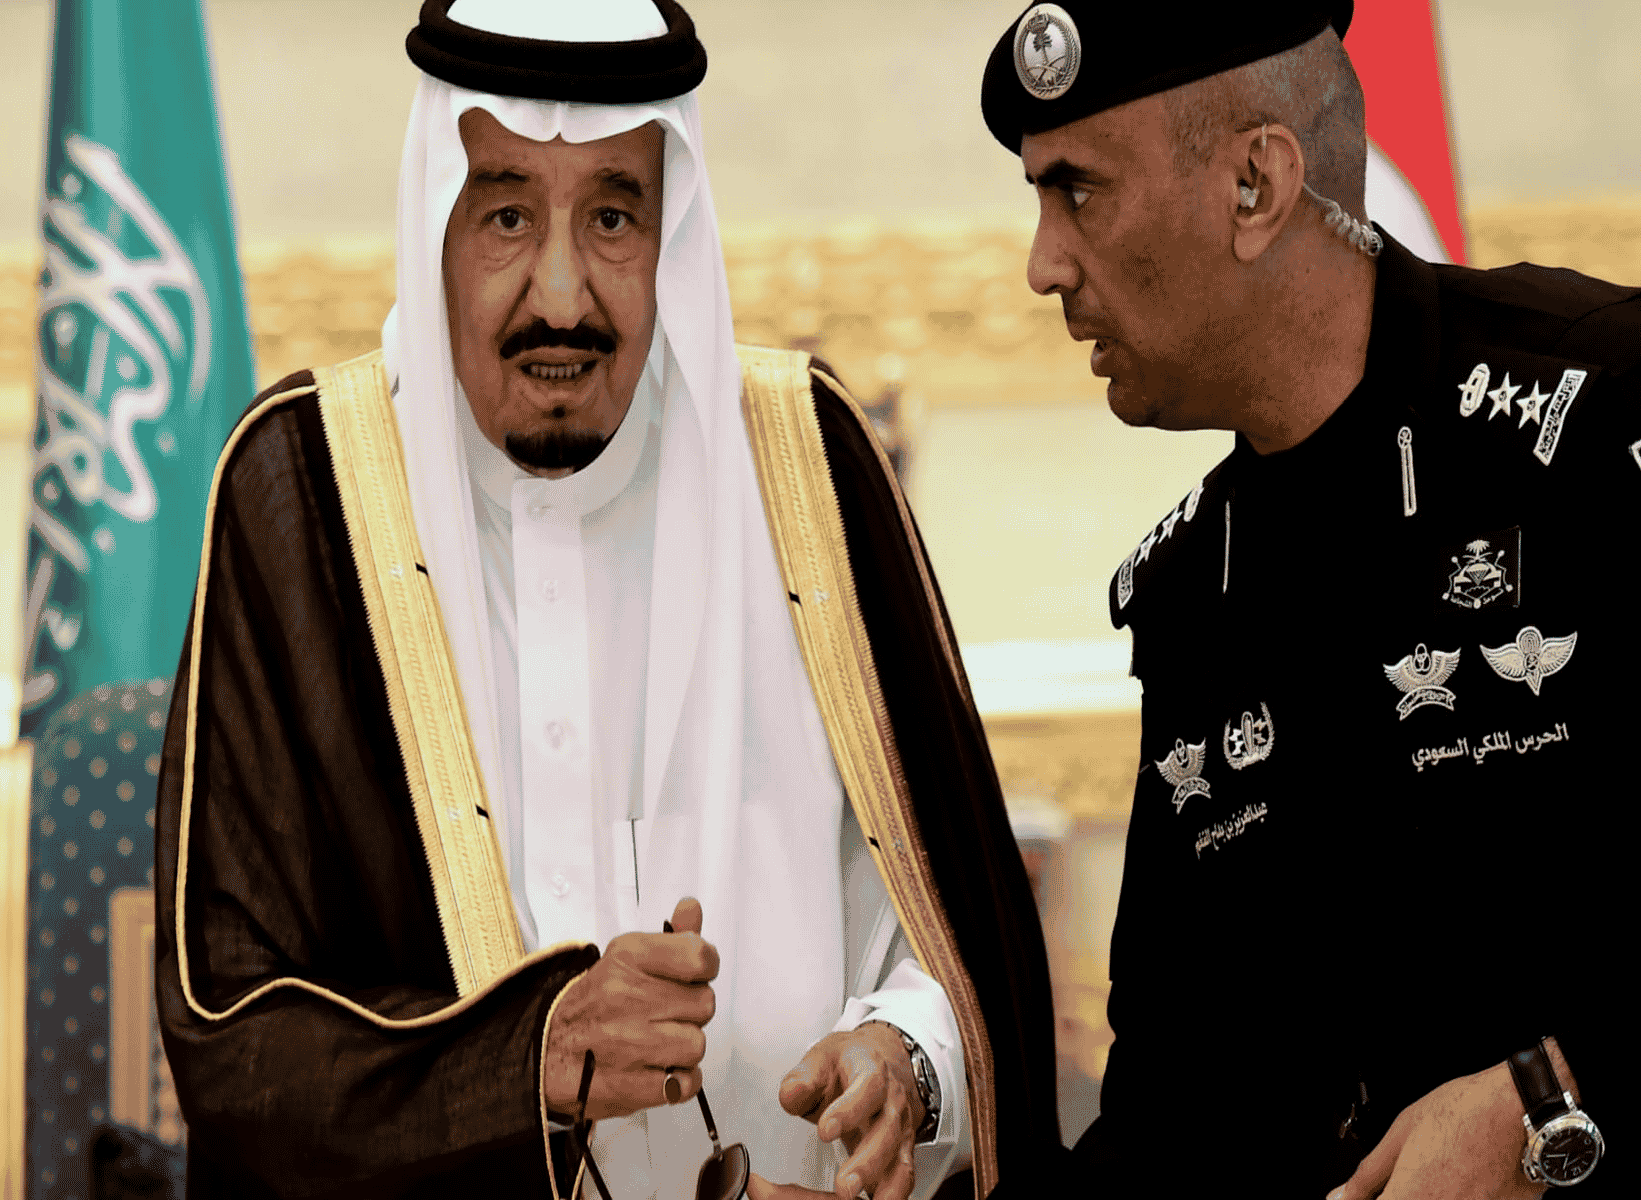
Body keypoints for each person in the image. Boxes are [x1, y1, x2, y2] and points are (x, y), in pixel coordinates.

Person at [153, 2, 1062, 1197]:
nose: (561, 295)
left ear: (671, 227)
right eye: (506, 215)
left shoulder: (807, 468)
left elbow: (959, 941)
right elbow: (235, 1040)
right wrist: (525, 1061)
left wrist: (907, 1065)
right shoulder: (302, 495)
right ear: (435, 220)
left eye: (614, 217)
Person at [978, 2, 1641, 1196]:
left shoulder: (1615, 413)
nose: (1043, 263)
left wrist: (1561, 1101)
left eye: (1079, 192)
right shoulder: (1191, 593)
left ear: (1256, 186)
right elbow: (1177, 1121)